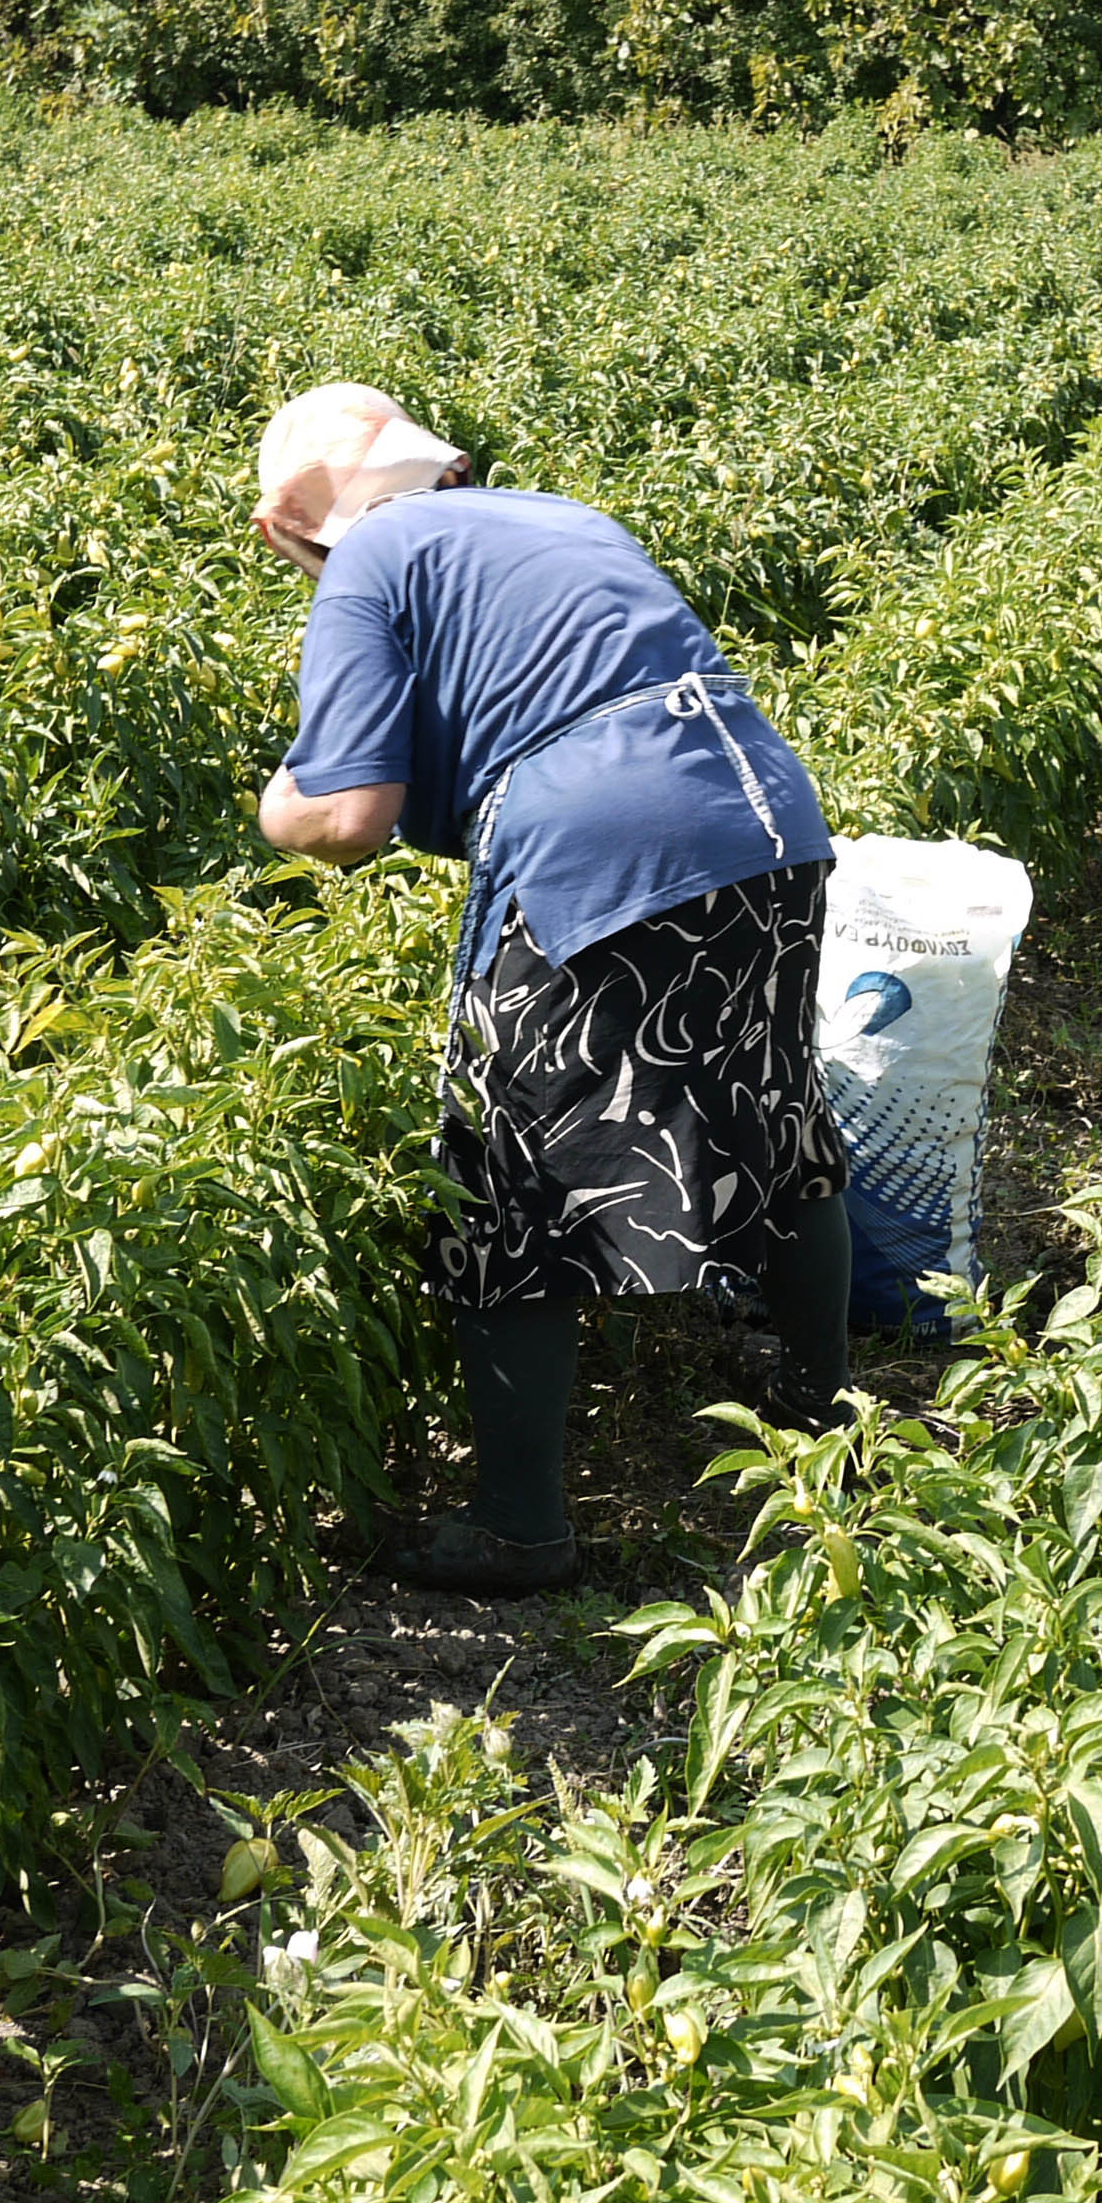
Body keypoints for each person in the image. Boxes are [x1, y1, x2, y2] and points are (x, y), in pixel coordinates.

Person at [249, 382, 854, 1596]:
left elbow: (352, 817)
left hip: (608, 838)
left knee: (505, 1168)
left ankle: (521, 1524)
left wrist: (279, 813)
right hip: (765, 813)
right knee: (770, 1107)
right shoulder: (560, 515)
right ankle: (818, 1414)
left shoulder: (366, 563)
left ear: (288, 528)